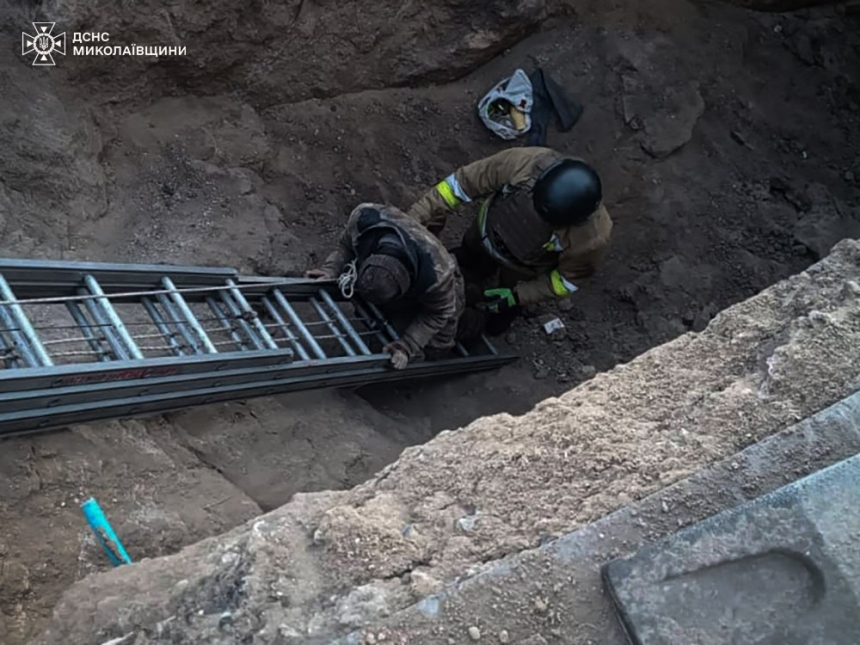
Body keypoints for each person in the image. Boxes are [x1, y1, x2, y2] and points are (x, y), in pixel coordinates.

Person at [407, 147, 613, 333]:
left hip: (522, 269)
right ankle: (472, 268)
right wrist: (410, 225)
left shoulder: (591, 239)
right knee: (467, 260)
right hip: (484, 234)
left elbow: (567, 281)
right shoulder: (523, 163)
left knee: (494, 324)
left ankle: (493, 315)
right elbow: (457, 187)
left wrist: (518, 295)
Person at [305, 203, 468, 369]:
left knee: (436, 348)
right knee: (371, 307)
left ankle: (476, 321)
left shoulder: (437, 275)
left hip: (447, 295)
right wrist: (331, 269)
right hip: (408, 281)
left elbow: (439, 313)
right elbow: (346, 246)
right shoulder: (364, 220)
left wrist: (407, 346)